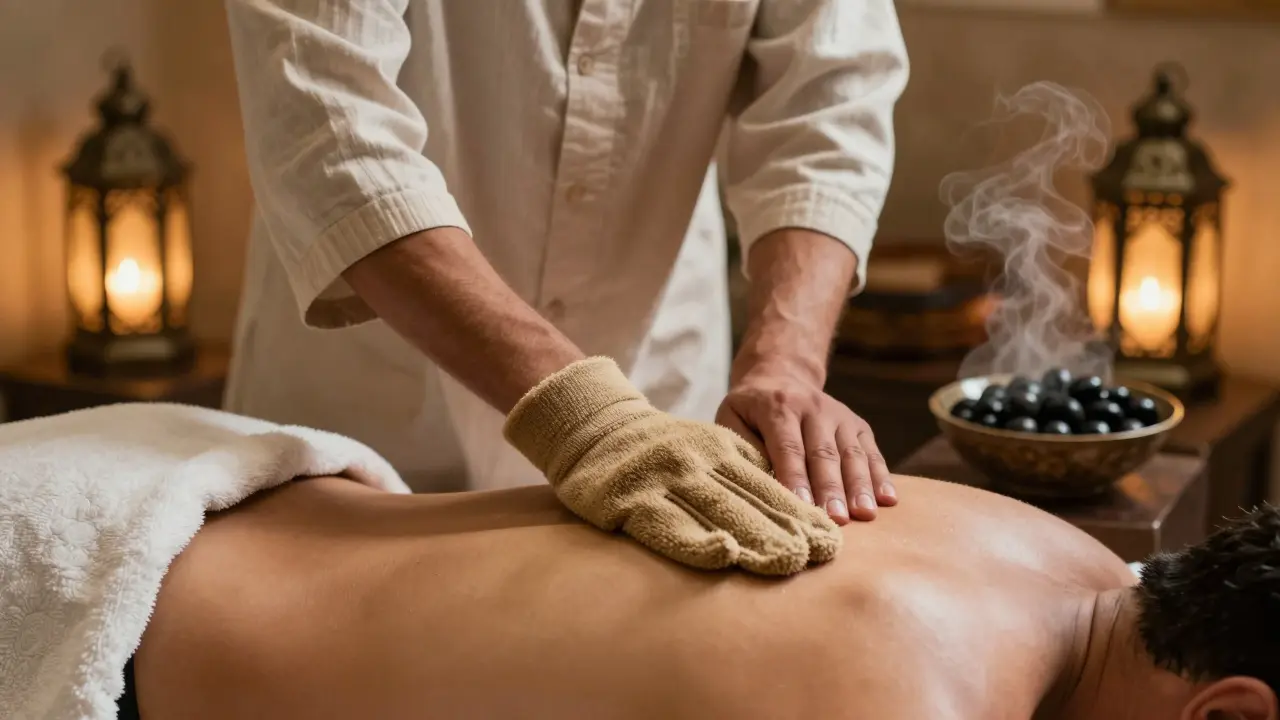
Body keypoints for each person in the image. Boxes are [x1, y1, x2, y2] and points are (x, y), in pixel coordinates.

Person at [220, 0, 911, 542]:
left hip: (666, 390)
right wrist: (589, 418)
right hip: (371, 432)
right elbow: (330, 123)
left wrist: (784, 366)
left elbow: (828, 109)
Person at [131, 471, 1280, 719]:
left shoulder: (1050, 555)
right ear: (1226, 717)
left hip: (192, 487)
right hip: (91, 627)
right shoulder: (906, 696)